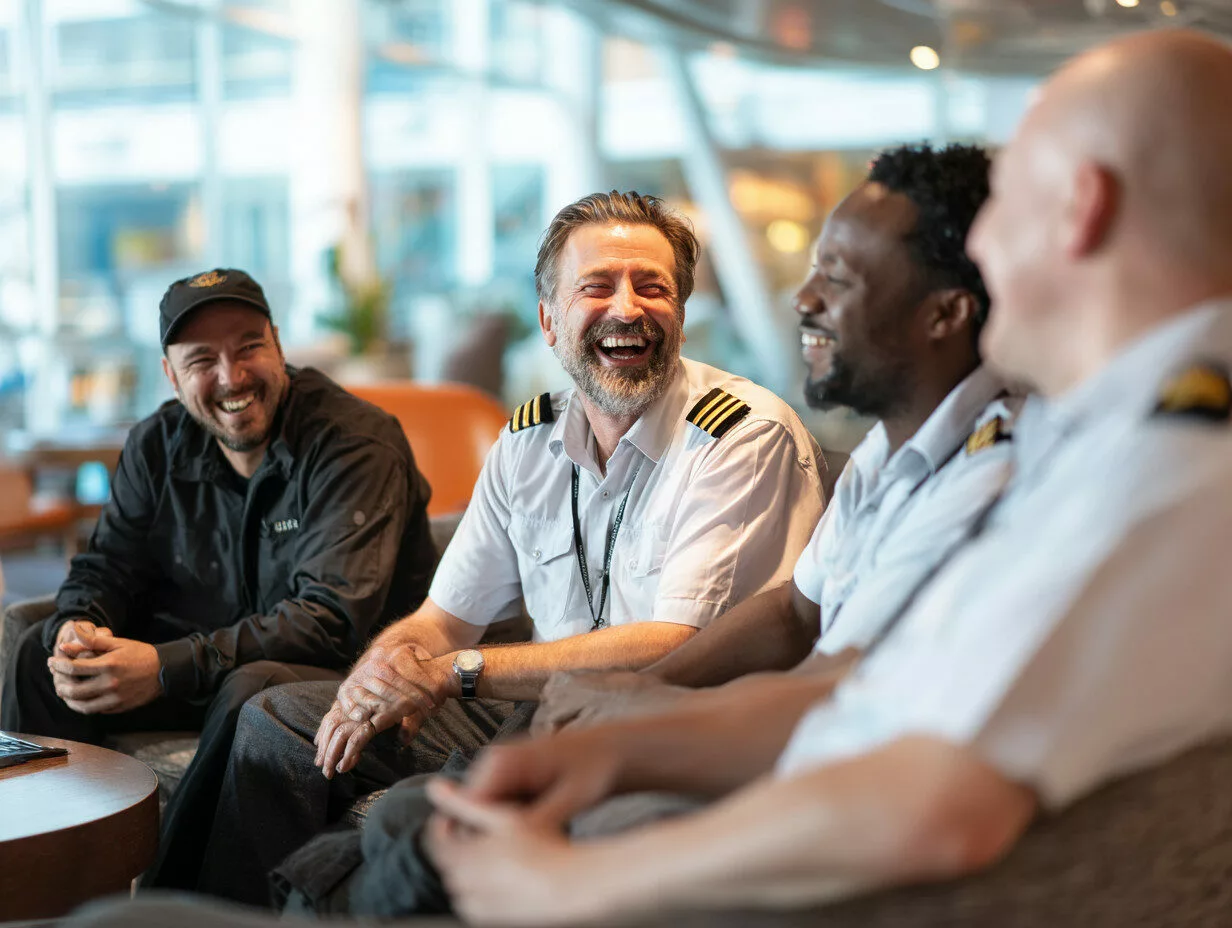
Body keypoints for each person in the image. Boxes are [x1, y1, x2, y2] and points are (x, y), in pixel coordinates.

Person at [411, 28, 1232, 926]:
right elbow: (874, 687)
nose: (984, 246)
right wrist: (627, 743)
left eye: (1006, 198)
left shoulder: (1162, 469)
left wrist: (575, 884)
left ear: (1080, 206)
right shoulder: (1100, 437)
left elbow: (932, 800)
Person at [195, 191, 826, 905]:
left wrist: (454, 672)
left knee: (412, 808)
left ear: (679, 314)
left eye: (653, 287)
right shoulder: (527, 441)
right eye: (596, 287)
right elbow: (443, 618)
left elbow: (674, 642)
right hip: (542, 705)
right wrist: (382, 671)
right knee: (276, 722)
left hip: (667, 720)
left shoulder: (741, 435)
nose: (628, 308)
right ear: (549, 322)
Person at [533, 142, 1018, 738]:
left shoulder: (994, 474)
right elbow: (796, 611)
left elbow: (848, 686)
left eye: (837, 277)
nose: (804, 298)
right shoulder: (889, 452)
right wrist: (640, 686)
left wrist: (637, 721)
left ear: (944, 315)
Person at [0, 268, 437, 890]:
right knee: (36, 653)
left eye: (249, 348)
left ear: (279, 347)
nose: (232, 377)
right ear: (171, 375)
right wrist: (80, 627)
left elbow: (330, 619)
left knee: (252, 691)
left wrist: (163, 666)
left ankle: (168, 905)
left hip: (337, 676)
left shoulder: (354, 443)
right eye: (202, 359)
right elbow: (107, 566)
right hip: (210, 665)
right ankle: (40, 887)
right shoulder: (156, 443)